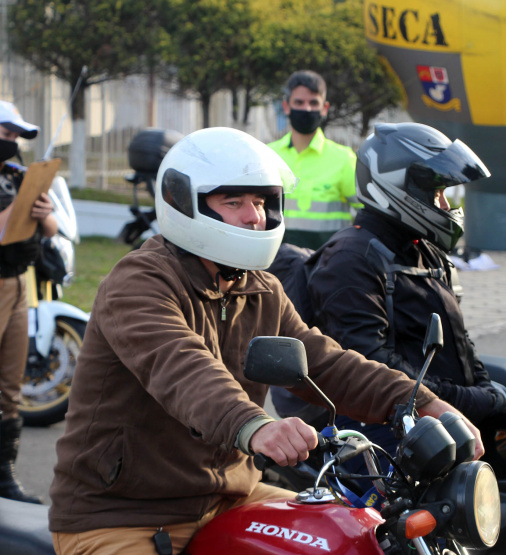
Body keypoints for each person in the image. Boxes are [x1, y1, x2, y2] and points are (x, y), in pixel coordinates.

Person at [48, 127, 482, 554]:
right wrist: (256, 428)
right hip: (120, 514)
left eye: (259, 202)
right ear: (186, 203)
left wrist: (422, 402)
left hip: (226, 497)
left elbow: (323, 363)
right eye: (233, 202)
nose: (254, 217)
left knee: (353, 537)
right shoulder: (138, 282)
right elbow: (180, 367)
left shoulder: (259, 288)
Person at [271, 122, 506, 459]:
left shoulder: (424, 250)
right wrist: (464, 399)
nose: (443, 205)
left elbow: (458, 339)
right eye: (436, 193)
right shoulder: (349, 259)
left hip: (441, 414)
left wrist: (483, 390)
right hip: (386, 426)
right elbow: (369, 360)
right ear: (398, 186)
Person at [0, 100, 55, 504]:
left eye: (17, 135)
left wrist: (42, 208)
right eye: (6, 132)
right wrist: (18, 209)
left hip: (18, 282)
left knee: (9, 386)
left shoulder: (14, 176)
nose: (13, 141)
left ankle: (5, 478)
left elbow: (50, 229)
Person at [268, 70, 360, 249]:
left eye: (313, 102)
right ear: (286, 106)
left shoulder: (344, 159)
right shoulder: (269, 156)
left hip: (326, 268)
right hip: (276, 268)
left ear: (324, 108)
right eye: (299, 102)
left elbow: (368, 213)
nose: (307, 109)